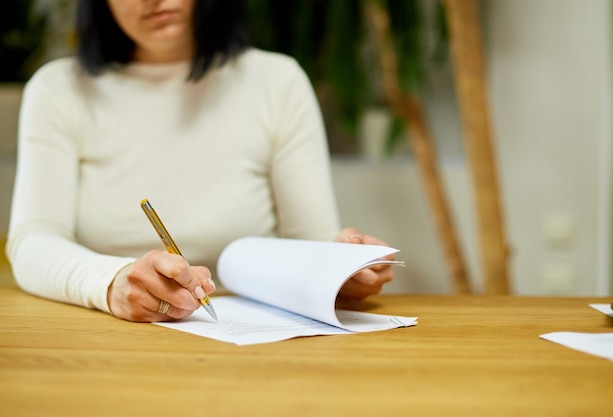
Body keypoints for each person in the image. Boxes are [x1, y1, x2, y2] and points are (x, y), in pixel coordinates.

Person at [6, 0, 395, 323]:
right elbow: (32, 241)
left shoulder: (278, 82)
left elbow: (309, 241)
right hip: (109, 335)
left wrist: (338, 267)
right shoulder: (58, 89)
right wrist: (111, 282)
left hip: (254, 340)